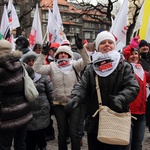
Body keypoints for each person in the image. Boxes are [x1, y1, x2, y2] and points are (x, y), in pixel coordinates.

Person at [64, 31, 140, 150]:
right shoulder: (91, 67)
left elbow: (132, 87)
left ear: (114, 45)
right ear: (97, 47)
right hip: (95, 122)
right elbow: (82, 85)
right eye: (103, 42)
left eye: (110, 42)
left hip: (117, 119)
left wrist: (121, 99)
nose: (107, 45)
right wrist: (76, 97)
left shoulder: (123, 66)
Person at [33, 38, 90, 150]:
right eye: (60, 53)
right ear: (56, 56)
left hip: (74, 103)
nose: (63, 55)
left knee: (74, 133)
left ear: (69, 55)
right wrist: (43, 54)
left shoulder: (75, 65)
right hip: (59, 104)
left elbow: (87, 62)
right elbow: (37, 68)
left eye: (65, 53)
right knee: (62, 132)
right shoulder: (53, 66)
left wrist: (81, 49)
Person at [0, 39, 33, 150]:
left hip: (6, 115)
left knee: (5, 145)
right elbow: (32, 74)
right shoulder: (20, 64)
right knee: (21, 144)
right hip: (23, 112)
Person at [22, 51, 54, 150]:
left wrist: (52, 107)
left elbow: (50, 92)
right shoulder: (21, 76)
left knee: (40, 137)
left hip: (42, 111)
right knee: (29, 138)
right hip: (27, 111)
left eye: (33, 60)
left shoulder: (44, 76)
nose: (31, 63)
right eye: (29, 61)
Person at [123, 39, 150, 150]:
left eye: (136, 53)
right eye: (131, 54)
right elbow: (124, 54)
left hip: (141, 112)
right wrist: (131, 46)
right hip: (128, 112)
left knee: (138, 144)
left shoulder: (141, 70)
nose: (134, 56)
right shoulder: (124, 68)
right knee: (127, 144)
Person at [138, 40, 150, 131]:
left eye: (146, 46)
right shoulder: (138, 59)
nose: (145, 47)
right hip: (142, 88)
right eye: (143, 46)